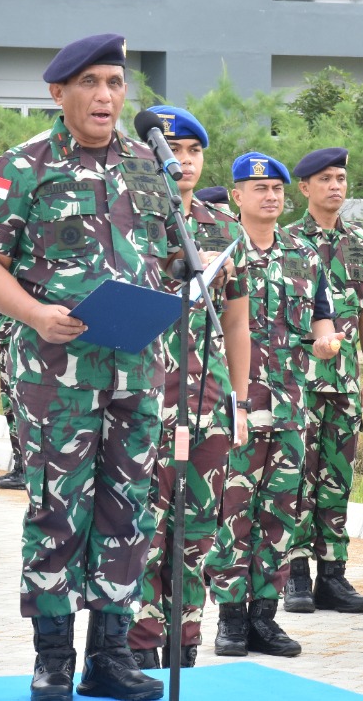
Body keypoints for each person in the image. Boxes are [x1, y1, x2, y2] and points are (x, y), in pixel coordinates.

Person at [0, 33, 173, 701]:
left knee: (128, 510)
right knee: (58, 511)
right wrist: (33, 315)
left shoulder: (148, 164)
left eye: (115, 82)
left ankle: (109, 655)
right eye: (90, 83)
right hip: (56, 373)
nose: (106, 96)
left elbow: (165, 257)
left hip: (136, 366)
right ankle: (53, 656)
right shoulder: (23, 166)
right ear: (59, 93)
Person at [204, 151, 343, 659]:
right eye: (258, 188)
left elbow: (321, 317)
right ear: (237, 196)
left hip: (290, 406)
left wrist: (327, 341)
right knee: (233, 512)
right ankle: (231, 619)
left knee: (281, 514)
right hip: (235, 406)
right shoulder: (218, 251)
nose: (270, 197)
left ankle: (265, 617)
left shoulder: (304, 254)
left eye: (278, 190)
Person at [128, 105, 251, 670]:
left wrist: (240, 400)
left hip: (207, 402)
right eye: (172, 151)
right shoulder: (130, 220)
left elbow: (237, 322)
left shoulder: (224, 229)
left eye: (194, 151)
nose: (183, 161)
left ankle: (186, 642)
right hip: (145, 398)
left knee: (200, 528)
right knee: (142, 529)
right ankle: (136, 646)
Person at [283, 147, 363, 615]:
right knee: (297, 480)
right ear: (304, 188)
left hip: (343, 382)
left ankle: (333, 576)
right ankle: (296, 576)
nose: (335, 186)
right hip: (297, 380)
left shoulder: (359, 241)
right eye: (324, 179)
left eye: (341, 177)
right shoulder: (285, 242)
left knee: (336, 482)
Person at [0, 313, 25, 490]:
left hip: (19, 342)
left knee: (20, 407)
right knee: (9, 407)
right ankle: (19, 465)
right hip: (7, 341)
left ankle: (27, 470)